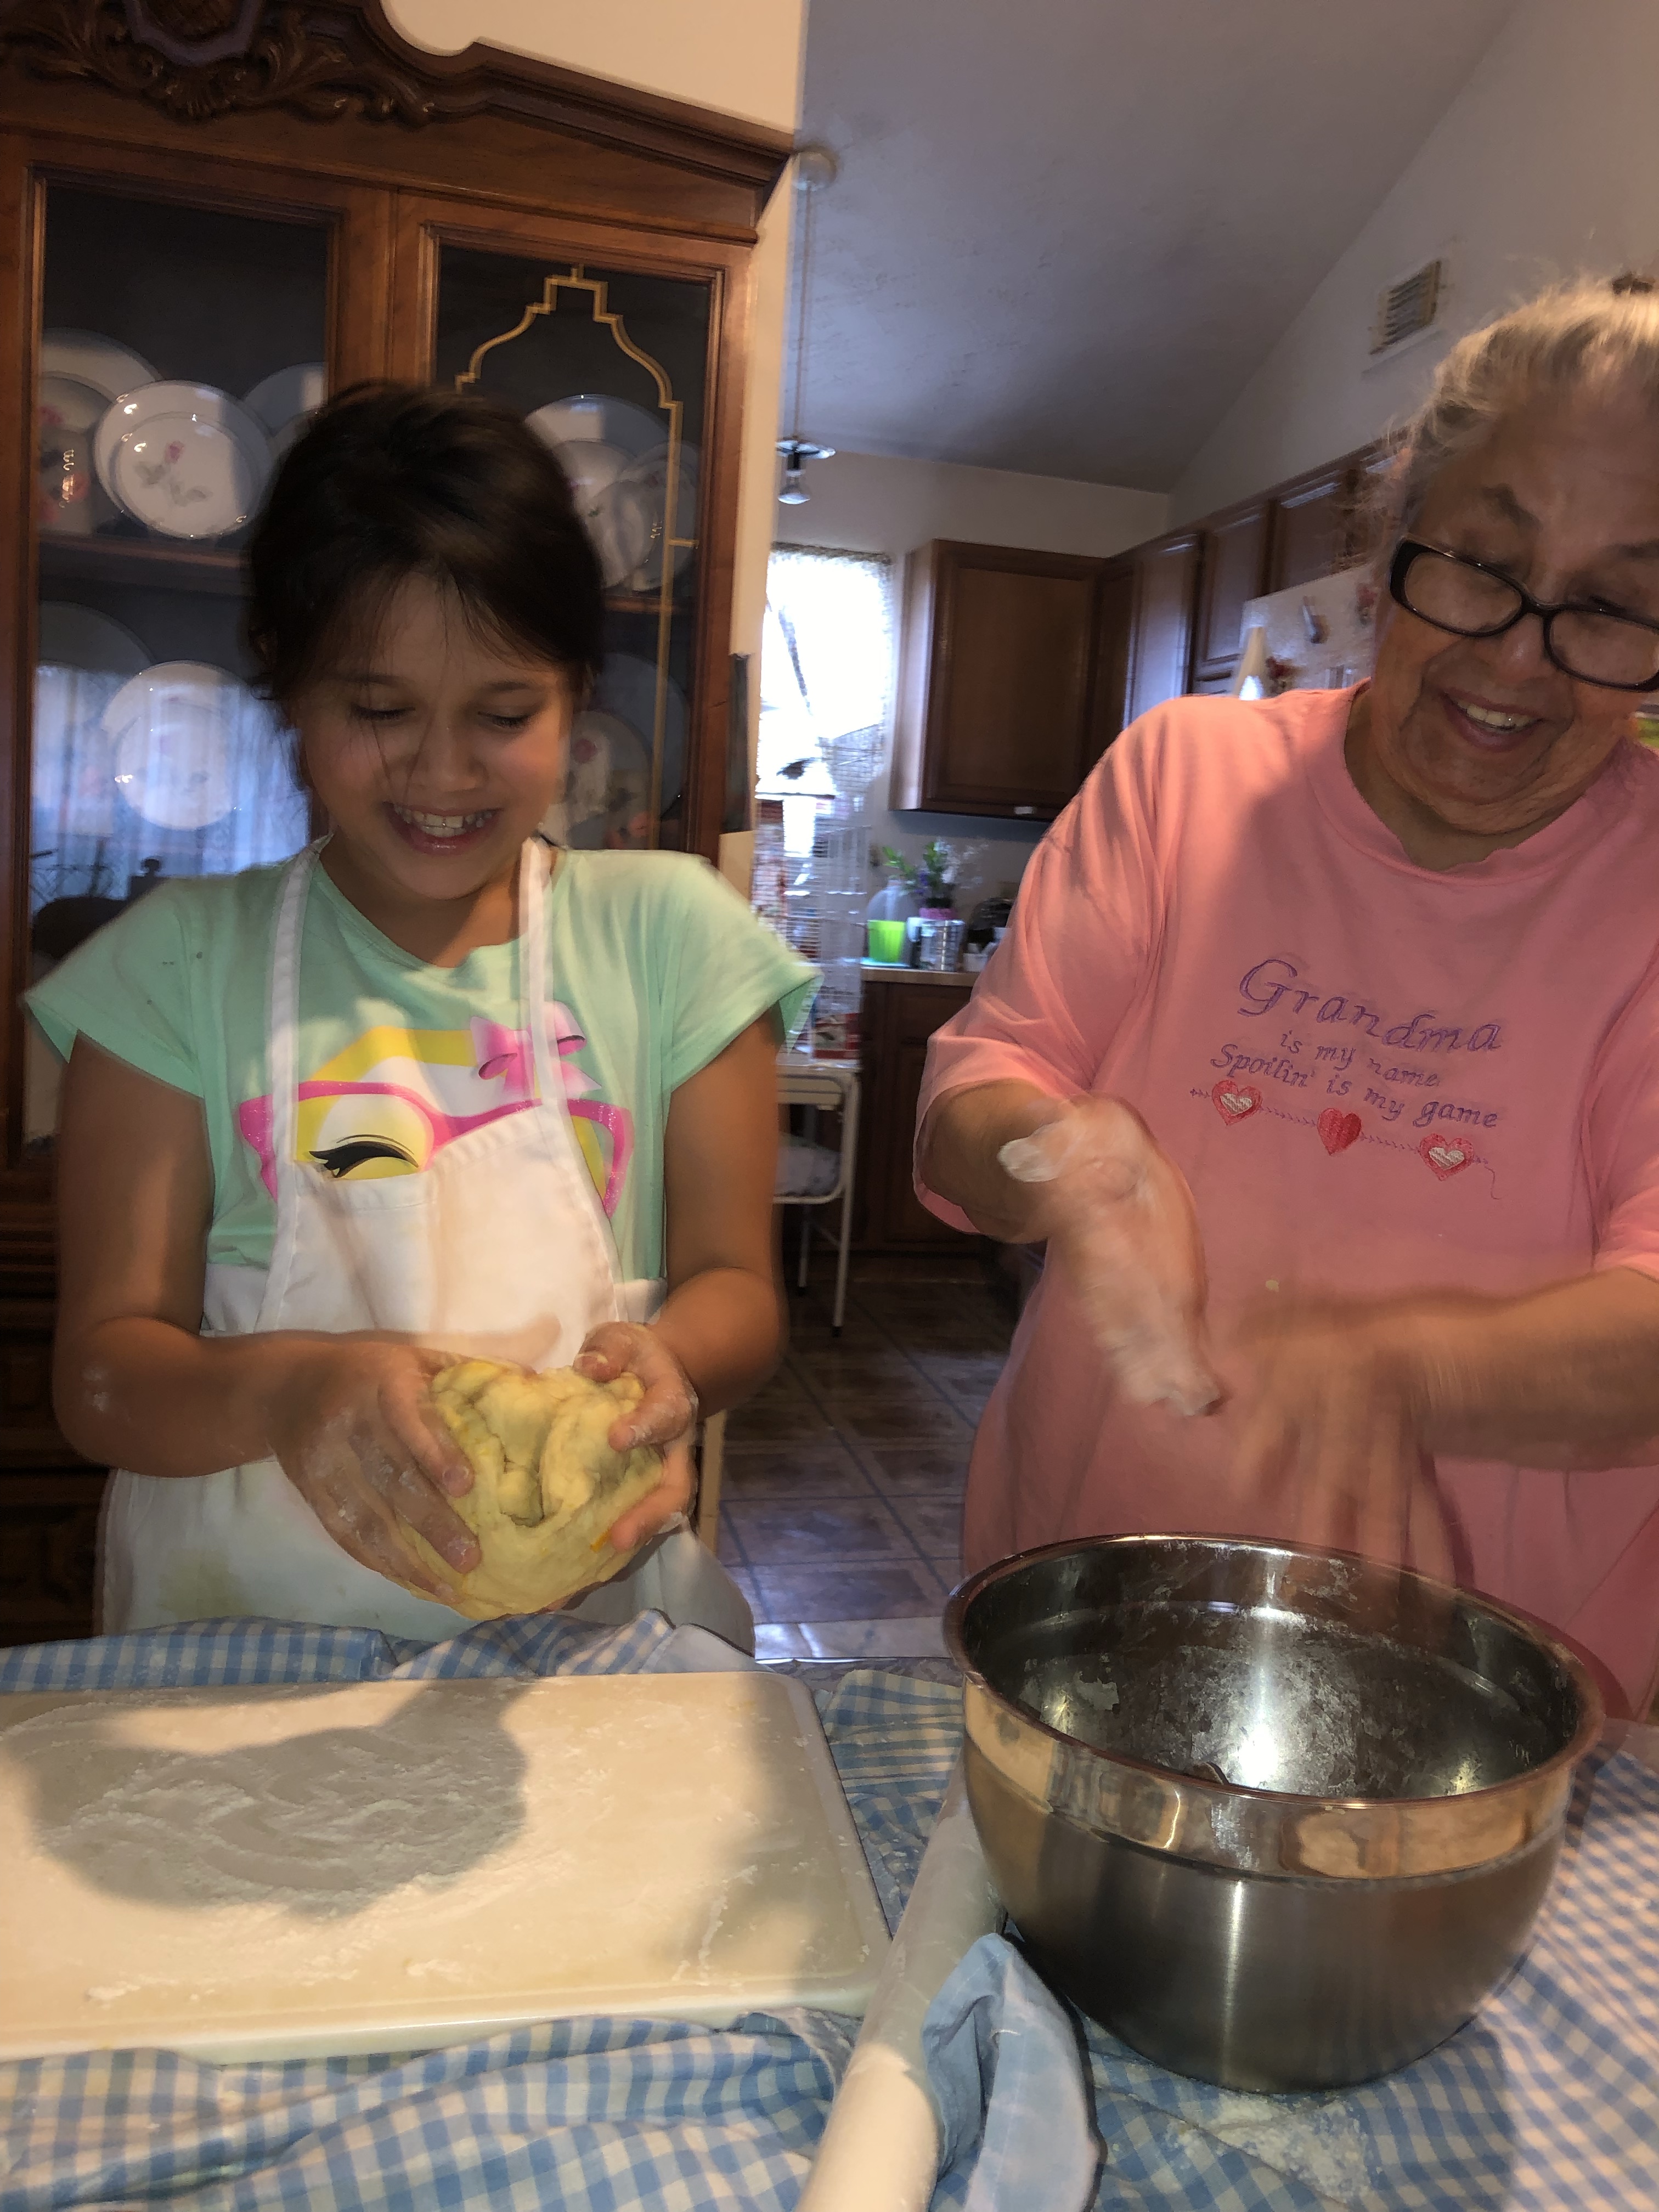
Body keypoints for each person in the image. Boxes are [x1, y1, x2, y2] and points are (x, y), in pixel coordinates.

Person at [918, 280, 1659, 1718]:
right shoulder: (1184, 778)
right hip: (1098, 1600)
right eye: (1483, 565)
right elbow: (971, 1099)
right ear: (1391, 546)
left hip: (1486, 1695)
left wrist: (1415, 1375)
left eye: (1615, 607)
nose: (1520, 656)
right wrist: (1052, 1155)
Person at [32, 384, 812, 1648]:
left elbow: (737, 1289)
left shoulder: (672, 941)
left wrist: (672, 1368)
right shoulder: (173, 968)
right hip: (241, 1666)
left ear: (574, 696)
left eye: (504, 715)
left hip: (579, 1661)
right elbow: (106, 1376)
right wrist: (292, 1392)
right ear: (288, 690)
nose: (444, 773)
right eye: (380, 711)